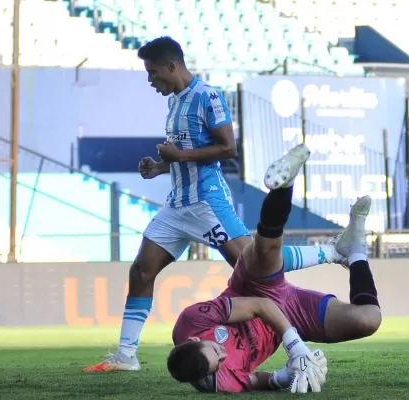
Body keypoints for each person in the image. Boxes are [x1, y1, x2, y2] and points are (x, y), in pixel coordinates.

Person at [83, 36, 345, 373]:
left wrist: (179, 155)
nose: (150, 81)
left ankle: (331, 253)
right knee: (141, 270)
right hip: (177, 206)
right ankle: (126, 355)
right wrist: (162, 167)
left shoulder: (208, 97)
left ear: (171, 66)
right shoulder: (174, 102)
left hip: (208, 202)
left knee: (255, 267)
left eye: (152, 73)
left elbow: (227, 148)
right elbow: (186, 156)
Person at [166, 144, 381, 393]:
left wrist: (295, 347)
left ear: (195, 340)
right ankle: (354, 251)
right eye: (219, 363)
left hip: (255, 290)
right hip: (291, 317)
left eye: (216, 350)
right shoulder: (215, 381)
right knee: (368, 320)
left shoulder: (191, 322)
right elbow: (255, 381)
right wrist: (284, 376)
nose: (223, 355)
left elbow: (261, 305)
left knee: (265, 250)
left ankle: (284, 185)